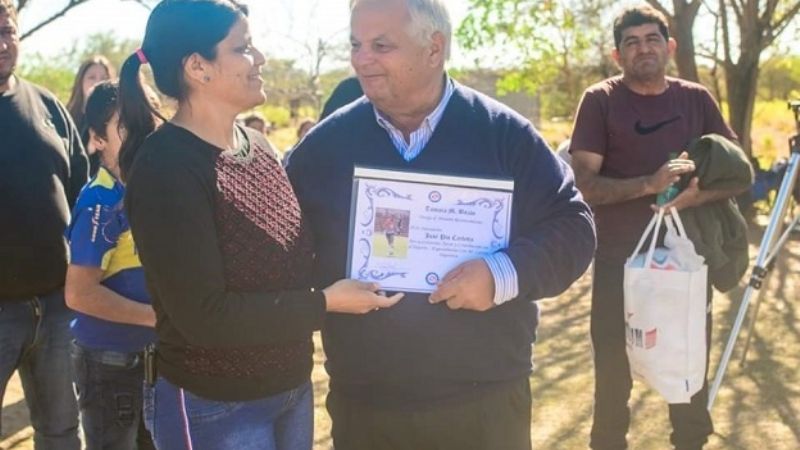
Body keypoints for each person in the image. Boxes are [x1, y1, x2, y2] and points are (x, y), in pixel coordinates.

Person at [287, 0, 596, 448]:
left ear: (434, 48)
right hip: (367, 405)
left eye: (381, 45)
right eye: (356, 44)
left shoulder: (504, 135)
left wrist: (501, 274)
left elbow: (573, 225)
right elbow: (285, 250)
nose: (361, 59)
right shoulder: (322, 148)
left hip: (486, 403)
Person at [118, 1, 401, 449]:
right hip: (213, 403)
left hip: (289, 387)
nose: (261, 59)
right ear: (198, 67)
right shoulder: (166, 169)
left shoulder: (260, 148)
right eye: (243, 48)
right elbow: (205, 317)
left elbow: (289, 261)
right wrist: (325, 303)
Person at [569, 5, 744, 450]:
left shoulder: (696, 99)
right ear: (617, 55)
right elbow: (584, 185)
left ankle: (690, 443)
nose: (642, 48)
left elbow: (735, 173)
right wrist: (649, 184)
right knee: (613, 374)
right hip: (618, 261)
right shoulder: (601, 100)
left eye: (651, 39)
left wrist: (692, 198)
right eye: (631, 42)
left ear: (669, 47)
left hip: (686, 262)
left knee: (687, 370)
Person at [0, 1, 86, 448]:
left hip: (56, 307)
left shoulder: (47, 105)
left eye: (8, 31)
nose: (2, 43)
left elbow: (79, 188)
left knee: (60, 431)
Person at [65, 80, 158, 450]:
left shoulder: (153, 191)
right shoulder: (101, 202)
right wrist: (157, 316)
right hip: (110, 364)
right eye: (126, 124)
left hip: (156, 359)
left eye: (148, 120)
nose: (142, 133)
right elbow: (79, 293)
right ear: (96, 139)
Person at [66, 55, 117, 176]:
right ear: (81, 82)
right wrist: (87, 150)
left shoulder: (118, 119)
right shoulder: (67, 118)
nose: (97, 83)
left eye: (104, 78)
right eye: (91, 78)